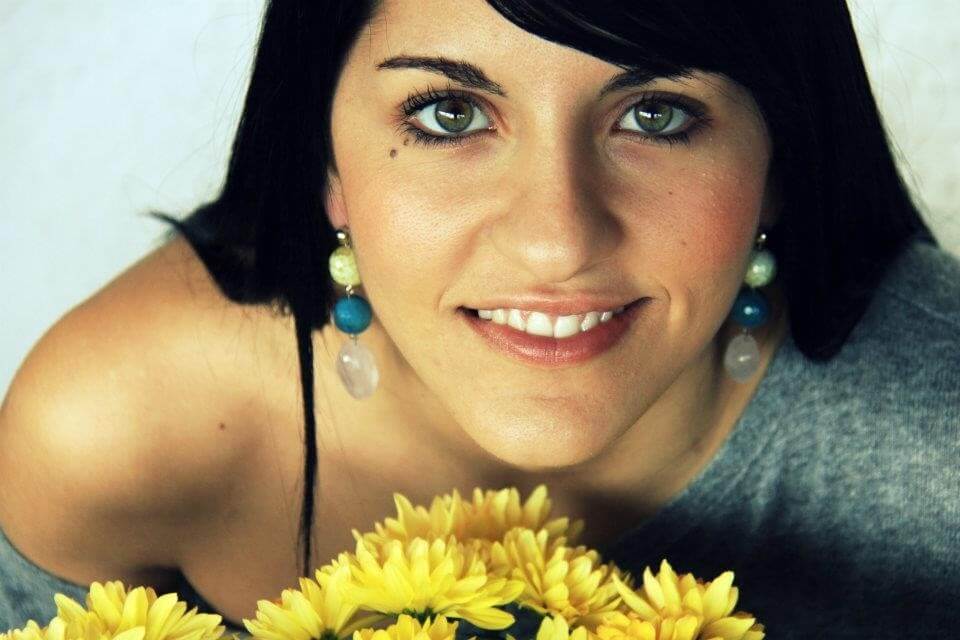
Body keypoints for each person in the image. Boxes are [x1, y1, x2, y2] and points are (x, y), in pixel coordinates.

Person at [1, 0, 957, 637]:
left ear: (779, 161)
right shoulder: (108, 431)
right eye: (450, 114)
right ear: (324, 160)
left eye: (656, 115)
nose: (555, 241)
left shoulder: (937, 446)